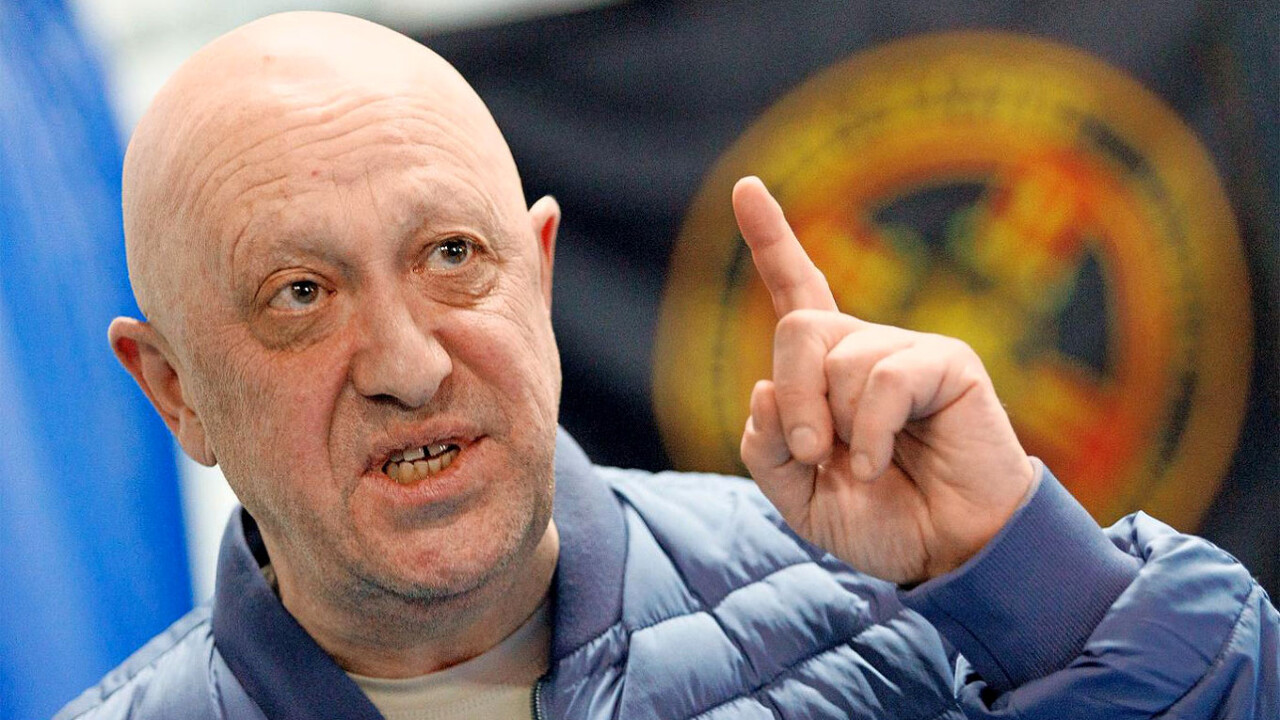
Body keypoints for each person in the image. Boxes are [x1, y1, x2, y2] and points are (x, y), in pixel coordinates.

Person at [57, 11, 1276, 720]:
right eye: (300, 295)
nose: (407, 364)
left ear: (537, 274)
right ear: (174, 391)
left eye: (451, 255)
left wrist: (1027, 576)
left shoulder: (887, 619)